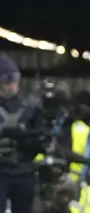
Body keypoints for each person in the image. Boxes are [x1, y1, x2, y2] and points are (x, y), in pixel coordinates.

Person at [0, 54, 45, 213]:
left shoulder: (30, 106)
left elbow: (42, 139)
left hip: (24, 170)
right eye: (7, 82)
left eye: (14, 81)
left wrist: (26, 137)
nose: (12, 86)